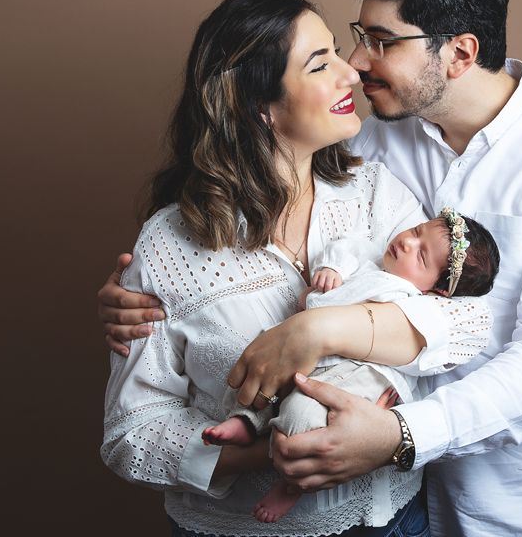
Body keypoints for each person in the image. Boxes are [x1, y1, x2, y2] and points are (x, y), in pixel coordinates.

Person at [100, 0, 522, 537]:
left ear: (460, 53)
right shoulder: (364, 139)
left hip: (517, 502)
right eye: (357, 39)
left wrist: (386, 420)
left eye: (379, 42)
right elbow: (245, 189)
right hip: (397, 502)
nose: (355, 66)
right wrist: (145, 296)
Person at [100, 0, 494, 537]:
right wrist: (274, 450)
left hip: (391, 522)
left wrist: (323, 327)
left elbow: (467, 326)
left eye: (337, 53)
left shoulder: (376, 193)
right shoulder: (170, 244)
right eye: (319, 64)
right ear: (255, 105)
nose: (352, 74)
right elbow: (131, 434)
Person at [204, 208, 500, 523]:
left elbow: (443, 332)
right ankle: (245, 422)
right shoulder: (372, 260)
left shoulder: (409, 297)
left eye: (422, 256)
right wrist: (332, 268)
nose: (407, 243)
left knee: (302, 412)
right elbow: (348, 247)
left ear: (439, 290)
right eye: (415, 231)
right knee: (265, 374)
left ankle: (292, 485)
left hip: (357, 374)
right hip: (311, 354)